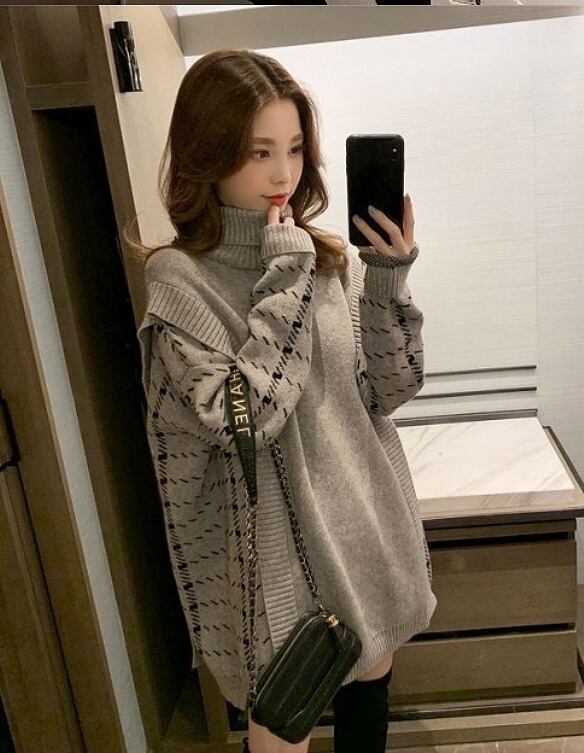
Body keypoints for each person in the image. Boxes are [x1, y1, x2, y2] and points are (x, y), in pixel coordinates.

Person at [129, 49, 436, 753]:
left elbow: (387, 390)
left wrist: (386, 278)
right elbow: (247, 415)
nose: (283, 174)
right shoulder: (181, 281)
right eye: (258, 151)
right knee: (280, 727)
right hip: (269, 557)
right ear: (208, 155)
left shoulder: (323, 260)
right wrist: (287, 266)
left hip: (360, 522)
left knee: (369, 695)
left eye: (295, 148)